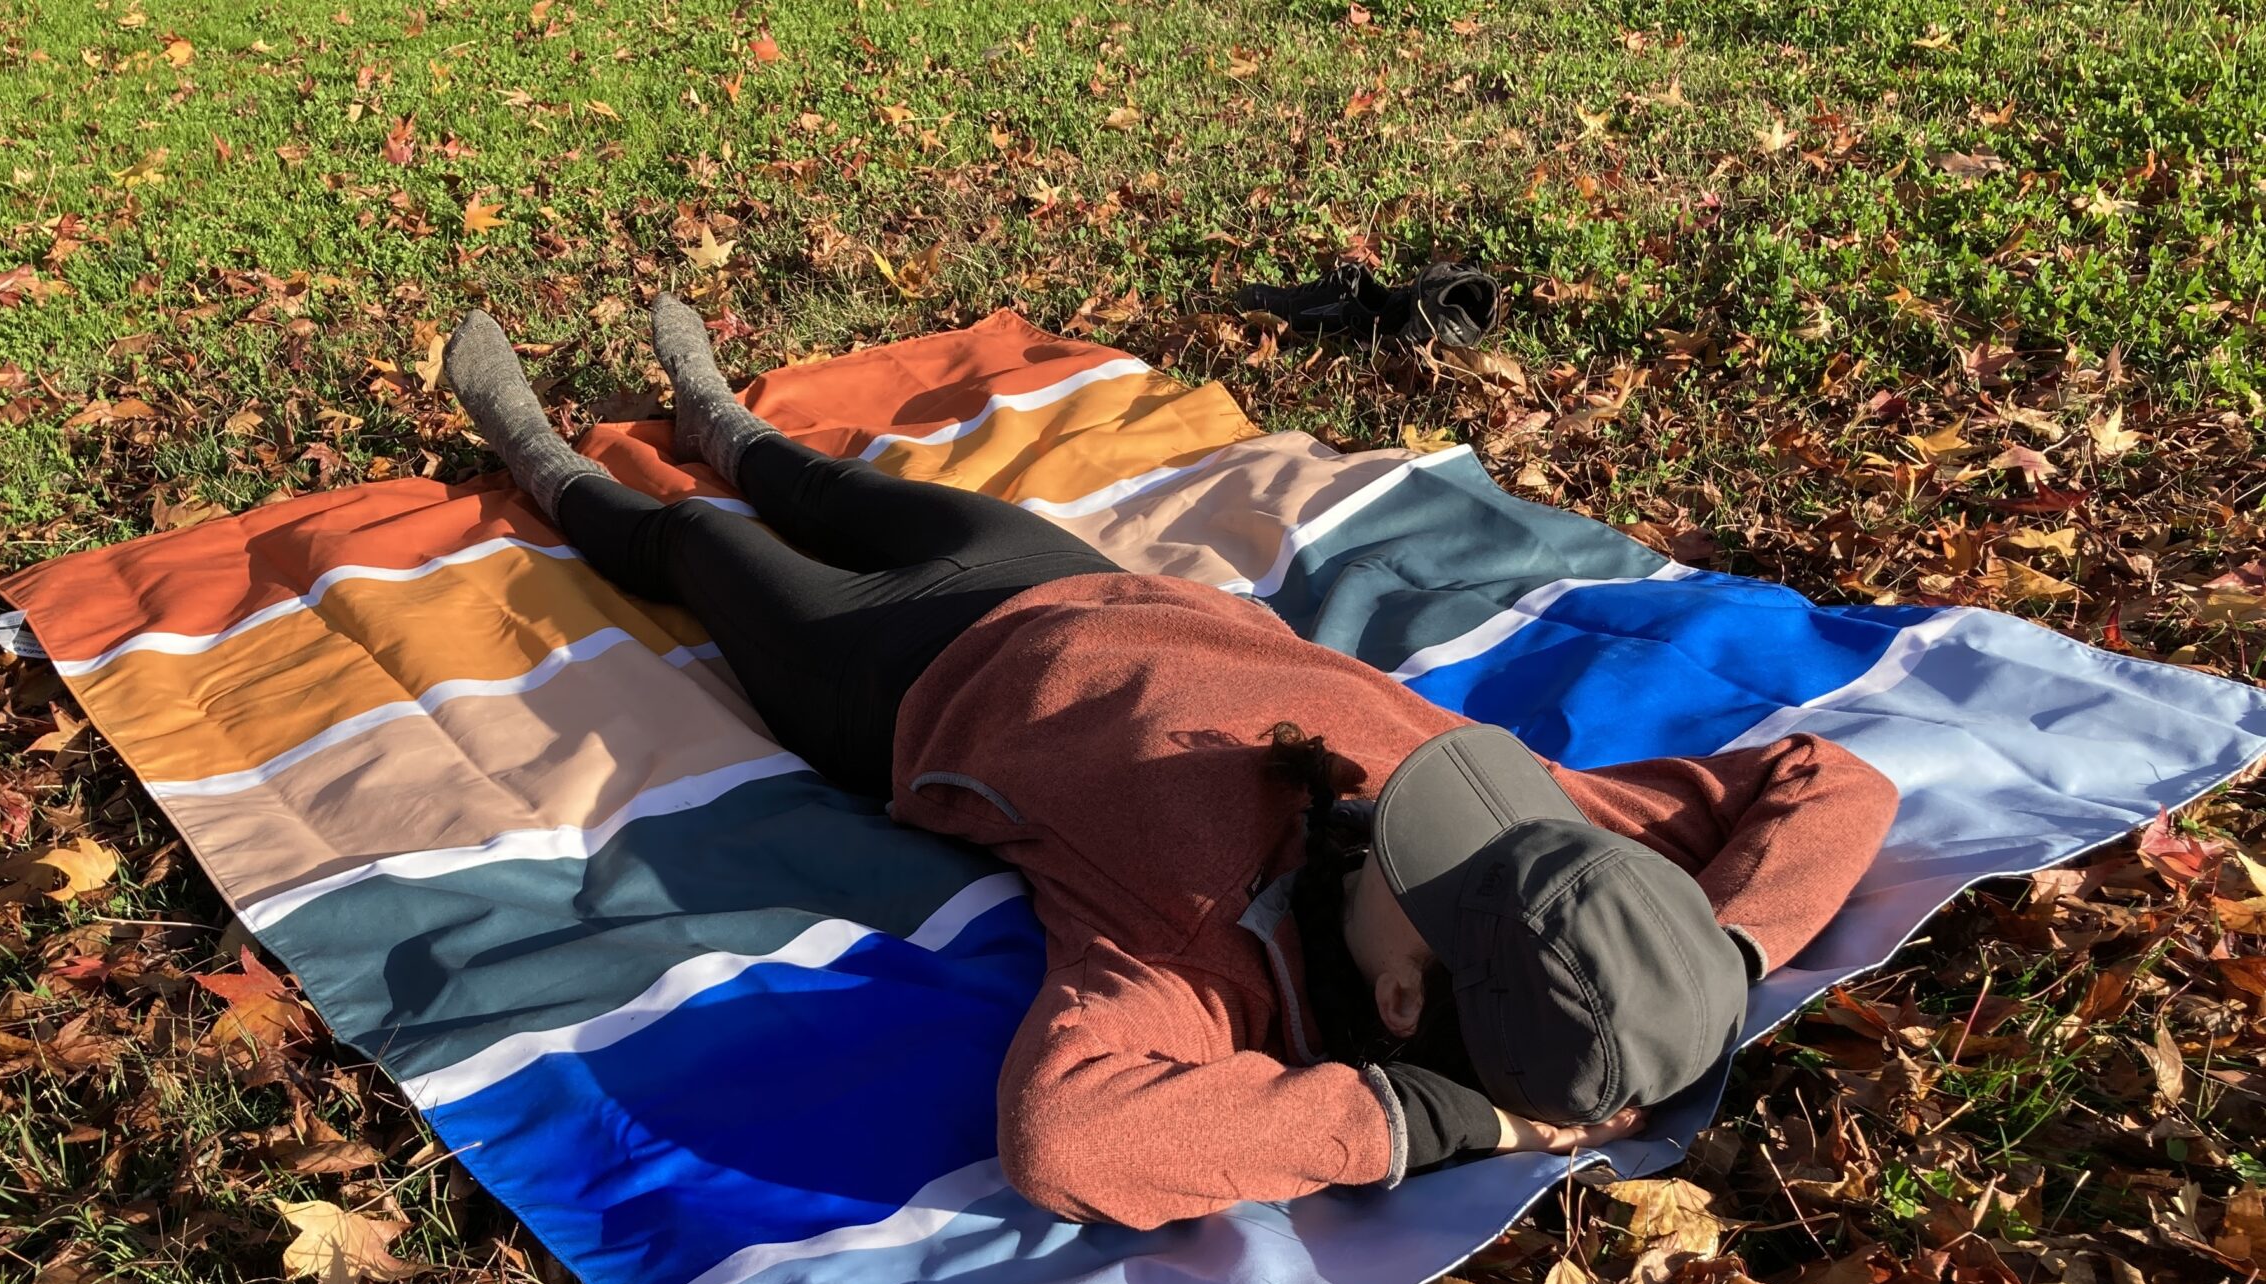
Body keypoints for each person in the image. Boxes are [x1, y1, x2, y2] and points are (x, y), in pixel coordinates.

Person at [442, 299, 1900, 1231]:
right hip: (1088, 586)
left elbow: (1071, 1141)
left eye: (1429, 867)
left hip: (906, 687)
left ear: (1397, 994)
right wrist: (1708, 955)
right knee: (839, 486)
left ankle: (537, 456)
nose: (1434, 809)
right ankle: (716, 415)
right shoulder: (1533, 842)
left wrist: (1428, 1121)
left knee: (708, 548)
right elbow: (1837, 784)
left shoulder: (1199, 957)